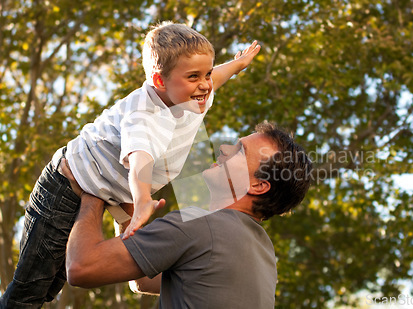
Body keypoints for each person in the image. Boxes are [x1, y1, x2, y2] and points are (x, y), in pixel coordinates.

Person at [0, 22, 260, 308]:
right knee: (30, 289)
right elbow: (139, 160)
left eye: (207, 73)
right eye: (194, 76)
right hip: (64, 188)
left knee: (49, 288)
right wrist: (142, 199)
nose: (206, 84)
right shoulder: (145, 115)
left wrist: (237, 64)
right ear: (160, 81)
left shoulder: (192, 95)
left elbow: (217, 77)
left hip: (98, 193)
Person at [65, 122, 312, 308]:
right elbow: (143, 279)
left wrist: (93, 191)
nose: (224, 148)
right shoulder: (263, 254)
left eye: (239, 151)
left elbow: (81, 268)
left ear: (258, 185)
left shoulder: (201, 225)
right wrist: (127, 215)